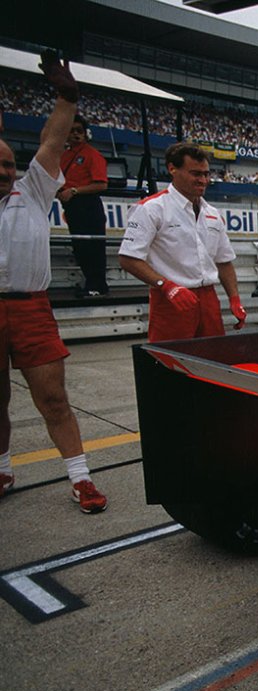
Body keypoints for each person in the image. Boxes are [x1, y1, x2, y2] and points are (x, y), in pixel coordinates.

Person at [0, 52, 106, 513]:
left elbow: (51, 138)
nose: (5, 172)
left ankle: (80, 478)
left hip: (30, 308)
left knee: (52, 398)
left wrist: (67, 97)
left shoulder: (34, 188)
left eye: (8, 164)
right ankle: (3, 468)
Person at [118, 142, 246, 343]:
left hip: (209, 300)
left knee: (214, 362)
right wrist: (166, 286)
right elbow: (128, 258)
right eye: (196, 174)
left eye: (206, 174)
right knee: (171, 366)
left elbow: (224, 261)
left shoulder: (213, 214)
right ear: (172, 169)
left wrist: (234, 298)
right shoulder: (151, 209)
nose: (203, 180)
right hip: (170, 299)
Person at [57, 114, 108, 297]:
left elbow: (101, 184)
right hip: (72, 206)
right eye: (72, 131)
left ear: (85, 133)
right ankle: (90, 282)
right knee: (79, 245)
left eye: (79, 130)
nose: (76, 134)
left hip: (88, 205)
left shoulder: (93, 155)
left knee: (93, 246)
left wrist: (74, 191)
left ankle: (98, 285)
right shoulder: (65, 156)